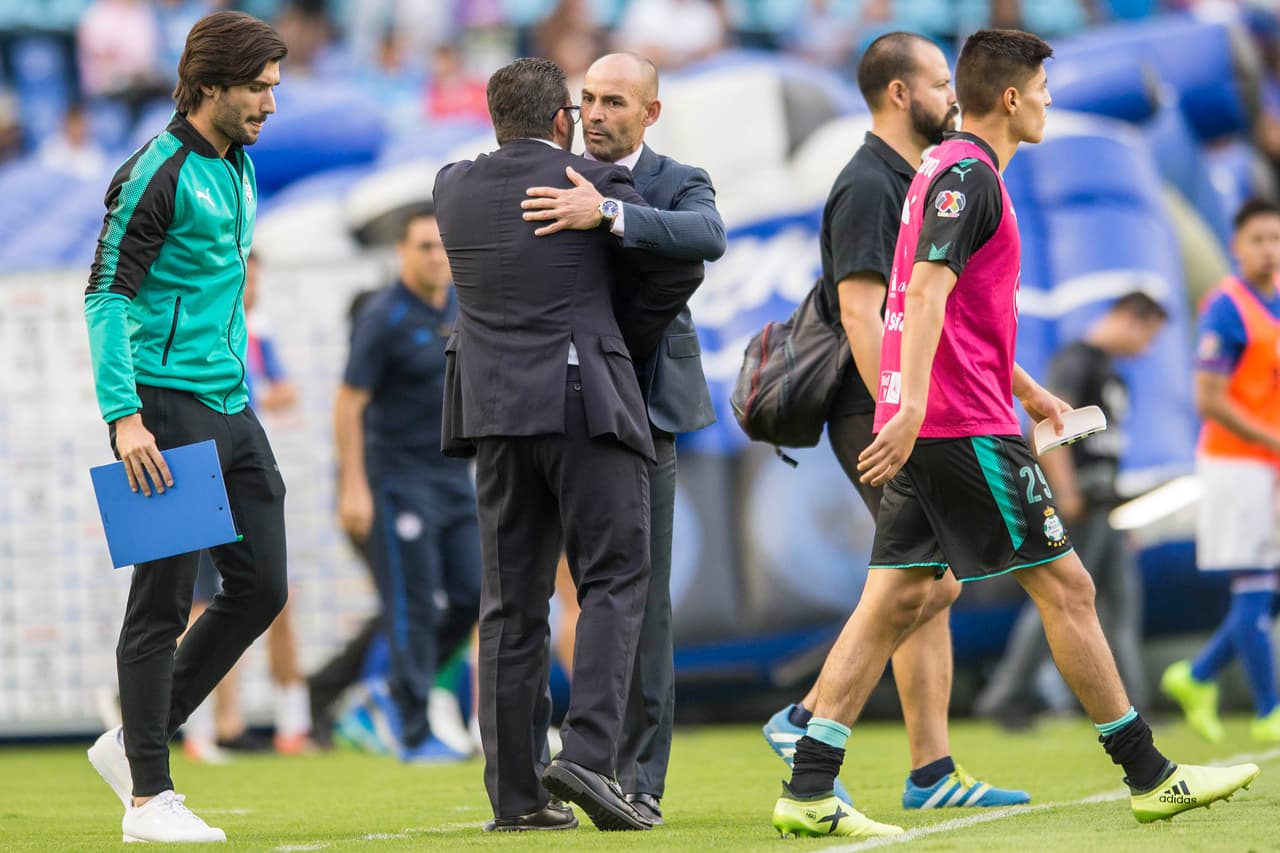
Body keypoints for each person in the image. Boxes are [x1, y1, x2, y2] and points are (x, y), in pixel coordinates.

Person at [770, 28, 1260, 839]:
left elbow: (960, 315)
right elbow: (920, 298)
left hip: (960, 414)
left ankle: (811, 783)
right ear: (1009, 97)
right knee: (1069, 588)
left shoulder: (943, 169)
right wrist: (916, 408)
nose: (1048, 102)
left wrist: (1031, 392)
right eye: (1042, 90)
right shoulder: (967, 176)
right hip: (960, 427)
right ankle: (1150, 773)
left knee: (894, 597)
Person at [755, 31, 1028, 813]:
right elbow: (865, 310)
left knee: (928, 580)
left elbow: (951, 320)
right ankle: (807, 717)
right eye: (941, 81)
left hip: (902, 406)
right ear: (901, 94)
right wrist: (897, 415)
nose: (954, 95)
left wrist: (1025, 390)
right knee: (915, 581)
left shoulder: (921, 176)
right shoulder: (871, 184)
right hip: (871, 406)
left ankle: (930, 771)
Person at [432, 57, 704, 833]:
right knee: (616, 579)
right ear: (562, 120)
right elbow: (681, 261)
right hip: (588, 404)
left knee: (510, 607)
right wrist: (627, 331)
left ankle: (516, 796)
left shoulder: (452, 186)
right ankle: (587, 753)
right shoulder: (595, 185)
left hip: (492, 417)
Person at [83, 11, 287, 844]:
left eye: (276, 87)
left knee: (263, 587)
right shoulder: (155, 170)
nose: (272, 104)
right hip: (163, 409)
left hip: (233, 406)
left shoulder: (238, 164)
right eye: (258, 88)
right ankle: (147, 799)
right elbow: (105, 293)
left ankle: (130, 741)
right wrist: (123, 417)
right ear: (210, 86)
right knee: (159, 606)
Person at [518, 50, 725, 826]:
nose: (595, 113)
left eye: (613, 101)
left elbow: (708, 234)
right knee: (545, 593)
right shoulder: (552, 173)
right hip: (559, 414)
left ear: (651, 112)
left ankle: (638, 778)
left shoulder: (678, 179)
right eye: (588, 99)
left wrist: (606, 214)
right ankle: (536, 770)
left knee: (644, 601)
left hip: (645, 412)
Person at [977, 291, 1168, 728]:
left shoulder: (1109, 371)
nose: (1148, 347)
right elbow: (1044, 424)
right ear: (1129, 319)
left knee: (1118, 605)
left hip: (1106, 504)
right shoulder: (1077, 359)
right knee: (1061, 595)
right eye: (1149, 334)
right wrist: (1064, 494)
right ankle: (1007, 695)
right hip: (1079, 500)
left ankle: (1134, 705)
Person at [332, 207, 481, 762]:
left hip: (452, 478)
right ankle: (412, 731)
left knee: (474, 596)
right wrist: (353, 487)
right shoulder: (384, 315)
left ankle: (392, 690)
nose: (435, 256)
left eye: (442, 246)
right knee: (412, 605)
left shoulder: (463, 307)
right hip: (396, 481)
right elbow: (348, 404)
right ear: (402, 253)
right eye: (423, 247)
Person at [1162, 198, 1280, 744]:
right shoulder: (1227, 308)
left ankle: (1199, 674)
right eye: (1258, 239)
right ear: (1237, 246)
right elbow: (1209, 398)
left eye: (1276, 239)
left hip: (1270, 465)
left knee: (1266, 586)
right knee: (1255, 586)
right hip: (1236, 465)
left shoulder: (1275, 304)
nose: (1269, 250)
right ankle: (1269, 711)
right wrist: (1270, 437)